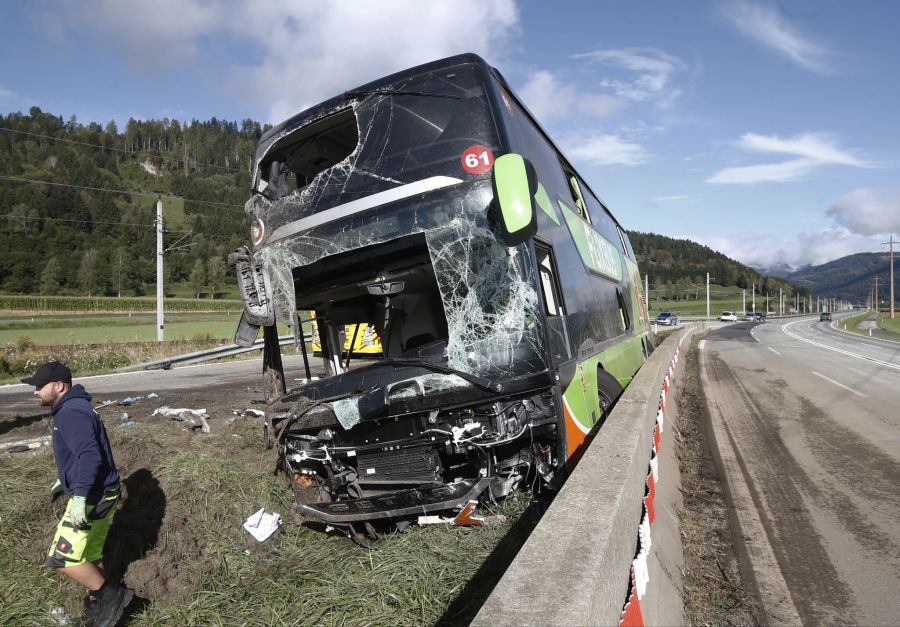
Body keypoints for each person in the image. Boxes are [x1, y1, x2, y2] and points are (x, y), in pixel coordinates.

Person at [22, 361, 133, 627]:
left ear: (59, 386)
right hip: (104, 491)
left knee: (62, 559)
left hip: (93, 496)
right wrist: (64, 479)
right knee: (89, 554)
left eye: (40, 386)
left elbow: (90, 456)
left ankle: (113, 596)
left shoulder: (71, 412)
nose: (35, 391)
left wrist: (80, 497)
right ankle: (98, 605)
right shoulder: (73, 407)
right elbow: (80, 453)